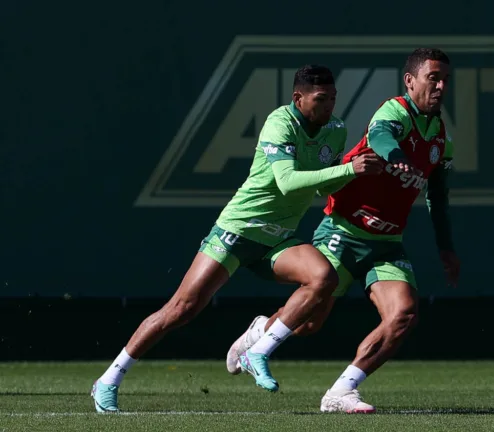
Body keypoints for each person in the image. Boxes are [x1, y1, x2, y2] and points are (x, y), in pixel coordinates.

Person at [91, 65, 384, 413]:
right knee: (181, 309)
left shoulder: (334, 130)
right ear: (298, 98)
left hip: (278, 239)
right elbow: (287, 181)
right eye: (321, 100)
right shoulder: (280, 123)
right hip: (239, 230)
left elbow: (322, 186)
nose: (329, 107)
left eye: (333, 99)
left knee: (324, 278)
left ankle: (257, 349)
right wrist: (351, 169)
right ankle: (108, 379)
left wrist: (360, 173)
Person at [226, 48, 461, 413]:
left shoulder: (442, 136)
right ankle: (260, 331)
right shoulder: (394, 111)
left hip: (387, 243)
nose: (441, 85)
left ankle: (342, 391)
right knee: (308, 324)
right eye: (433, 77)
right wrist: (396, 157)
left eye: (445, 78)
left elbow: (439, 196)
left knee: (404, 315)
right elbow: (382, 135)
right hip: (345, 230)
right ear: (410, 81)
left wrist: (445, 248)